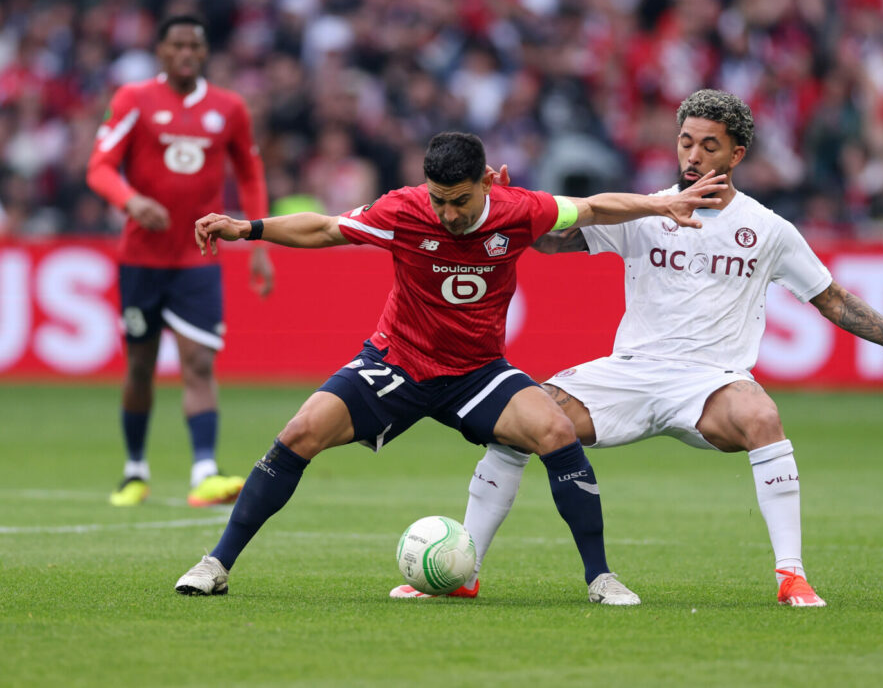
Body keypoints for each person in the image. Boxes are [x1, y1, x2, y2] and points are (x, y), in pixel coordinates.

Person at [390, 90, 883, 606]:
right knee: (519, 423)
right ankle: (465, 573)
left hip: (711, 381)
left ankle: (792, 577)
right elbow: (550, 240)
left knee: (762, 415)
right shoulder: (646, 211)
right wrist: (505, 201)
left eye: (709, 146)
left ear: (736, 154)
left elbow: (832, 299)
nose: (693, 156)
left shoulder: (768, 230)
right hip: (630, 371)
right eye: (685, 142)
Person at [174, 131, 727, 603]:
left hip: (477, 371)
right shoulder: (404, 210)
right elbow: (324, 229)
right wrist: (247, 229)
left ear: (487, 182)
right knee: (299, 433)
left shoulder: (520, 209)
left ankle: (601, 577)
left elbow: (593, 206)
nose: (449, 214)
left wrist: (661, 205)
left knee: (556, 431)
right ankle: (217, 565)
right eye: (440, 201)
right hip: (399, 362)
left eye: (459, 200)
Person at [86, 14, 274, 508]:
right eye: (178, 45)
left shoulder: (229, 108)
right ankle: (134, 470)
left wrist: (258, 244)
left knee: (198, 363)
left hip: (199, 257)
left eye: (196, 44)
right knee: (140, 367)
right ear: (162, 53)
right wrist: (130, 200)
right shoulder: (134, 100)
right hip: (141, 259)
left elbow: (251, 176)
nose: (187, 52)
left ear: (204, 52)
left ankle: (205, 471)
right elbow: (99, 166)